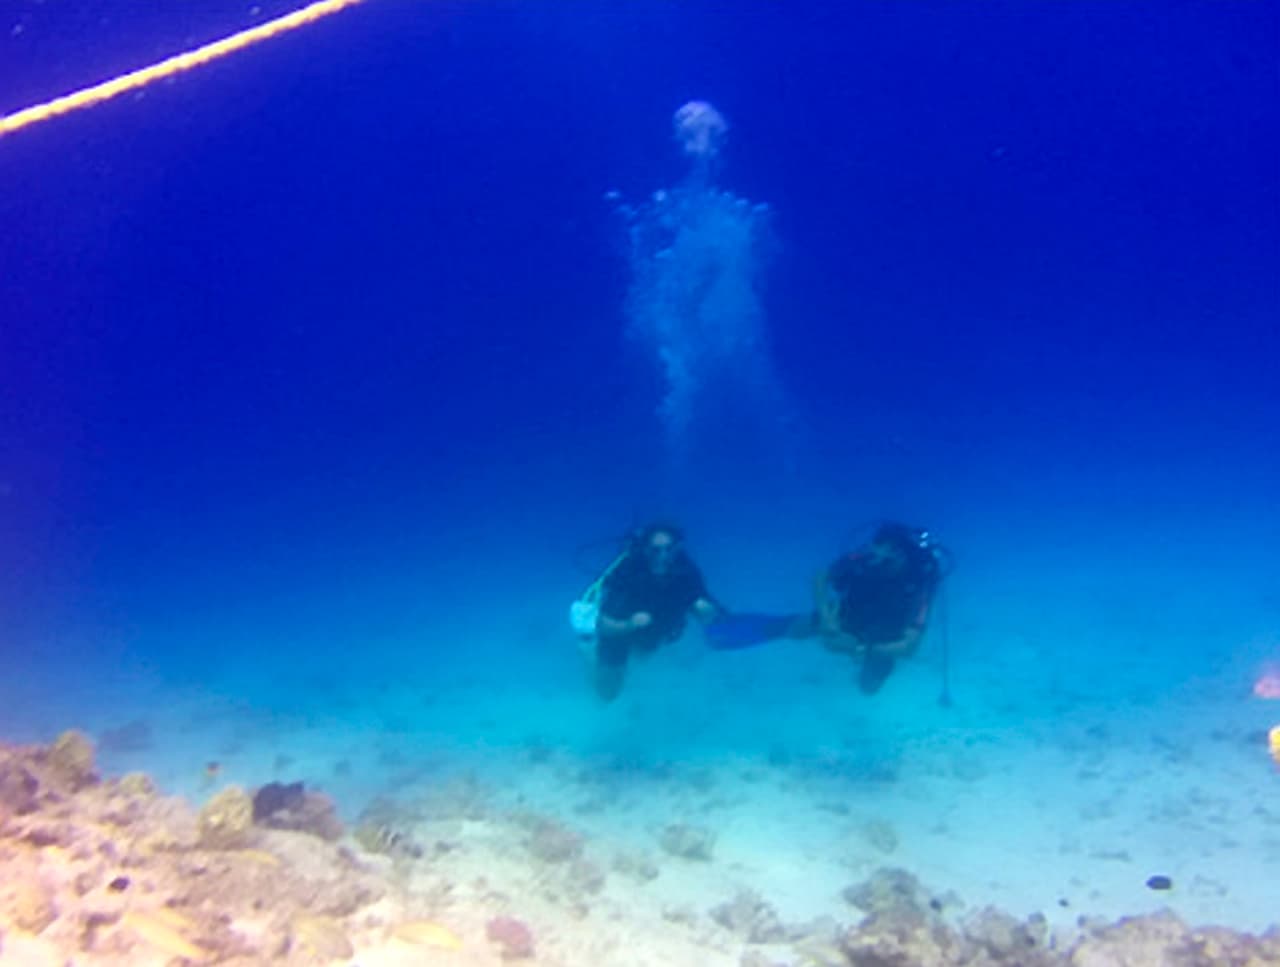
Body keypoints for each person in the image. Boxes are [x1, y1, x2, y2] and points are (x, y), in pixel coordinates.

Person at [572, 522, 724, 701]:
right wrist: (628, 625)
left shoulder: (686, 571)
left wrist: (707, 612)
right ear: (645, 549)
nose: (663, 556)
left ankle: (624, 665)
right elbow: (602, 624)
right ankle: (589, 653)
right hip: (619, 633)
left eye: (669, 549)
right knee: (607, 694)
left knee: (643, 654)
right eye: (656, 550)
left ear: (678, 548)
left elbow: (706, 602)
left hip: (655, 632)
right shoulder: (628, 573)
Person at [812, 522, 947, 694]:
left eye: (887, 560)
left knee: (869, 687)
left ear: (901, 556)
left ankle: (869, 668)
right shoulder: (863, 558)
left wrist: (865, 648)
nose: (878, 563)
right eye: (875, 556)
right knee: (813, 628)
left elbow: (910, 645)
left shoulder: (919, 576)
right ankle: (778, 627)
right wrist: (826, 616)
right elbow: (821, 577)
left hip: (890, 625)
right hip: (858, 609)